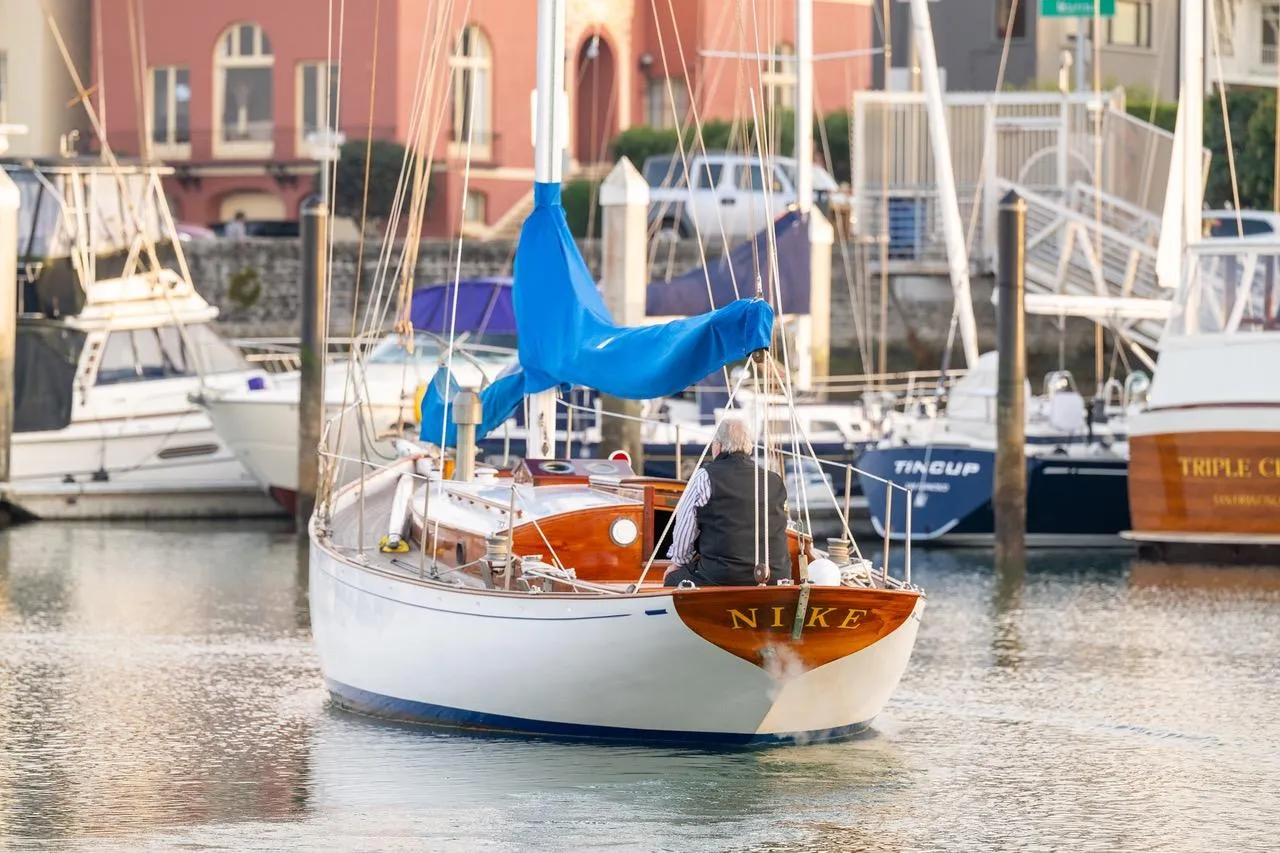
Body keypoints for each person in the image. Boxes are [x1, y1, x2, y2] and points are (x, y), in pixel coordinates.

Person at [663, 416, 790, 587]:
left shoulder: (705, 477)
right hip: (775, 576)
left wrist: (679, 562)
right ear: (749, 446)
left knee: (673, 579)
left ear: (718, 446)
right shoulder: (774, 480)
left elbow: (684, 528)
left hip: (723, 576)